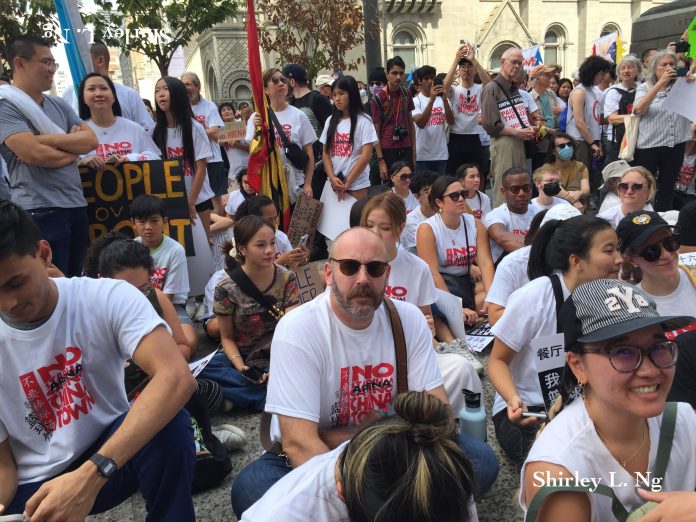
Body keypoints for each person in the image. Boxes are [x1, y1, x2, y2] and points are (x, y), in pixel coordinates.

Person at [231, 227, 499, 517]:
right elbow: (299, 442)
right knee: (253, 487)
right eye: (349, 267)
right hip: (329, 456)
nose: (362, 279)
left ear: (386, 274)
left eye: (374, 268)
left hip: (397, 450)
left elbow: (439, 416)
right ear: (329, 273)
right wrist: (365, 488)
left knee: (481, 459)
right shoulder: (299, 328)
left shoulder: (408, 319)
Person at [0, 199, 197, 520]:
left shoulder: (106, 296)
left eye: (15, 283)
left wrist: (90, 476)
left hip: (110, 453)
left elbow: (176, 377)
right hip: (35, 487)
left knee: (170, 422)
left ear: (44, 254)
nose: (8, 302)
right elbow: (3, 463)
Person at [521, 279, 696, 520]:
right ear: (578, 366)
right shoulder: (559, 468)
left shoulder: (685, 422)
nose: (650, 370)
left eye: (658, 346)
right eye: (622, 352)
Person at [488, 215, 623, 463]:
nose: (619, 259)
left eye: (618, 248)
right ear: (576, 261)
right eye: (609, 250)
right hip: (532, 410)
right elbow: (497, 361)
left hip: (582, 406)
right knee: (559, 458)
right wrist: (513, 400)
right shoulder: (535, 296)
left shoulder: (613, 296)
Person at [240, 391, 478, 522]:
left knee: (483, 458)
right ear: (342, 492)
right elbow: (298, 440)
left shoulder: (442, 470)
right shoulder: (285, 515)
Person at [361, 191, 483, 408]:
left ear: (400, 229)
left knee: (461, 370)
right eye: (369, 226)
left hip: (406, 354)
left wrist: (426, 327)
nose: (375, 234)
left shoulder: (417, 268)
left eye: (385, 228)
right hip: (364, 356)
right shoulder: (353, 265)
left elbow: (426, 321)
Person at [0, 35, 98, 277]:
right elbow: (34, 154)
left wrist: (47, 140)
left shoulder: (58, 104)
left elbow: (91, 141)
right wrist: (72, 149)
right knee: (49, 284)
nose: (52, 69)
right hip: (41, 209)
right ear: (20, 63)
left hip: (76, 205)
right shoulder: (6, 105)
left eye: (53, 63)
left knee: (74, 280)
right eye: (46, 62)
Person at [198, 215, 299, 413]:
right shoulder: (226, 287)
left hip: (278, 352)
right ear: (242, 249)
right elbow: (226, 338)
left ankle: (240, 398)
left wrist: (278, 368)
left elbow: (292, 330)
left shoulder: (287, 278)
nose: (270, 250)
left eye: (272, 243)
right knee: (193, 371)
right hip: (242, 356)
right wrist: (241, 368)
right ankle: (270, 395)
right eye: (260, 245)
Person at [417, 175, 495, 323]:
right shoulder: (427, 229)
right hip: (441, 287)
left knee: (501, 296)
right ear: (439, 202)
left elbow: (485, 263)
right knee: (454, 313)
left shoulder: (476, 224)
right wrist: (454, 307)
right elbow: (432, 273)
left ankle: (474, 315)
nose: (461, 199)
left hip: (466, 283)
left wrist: (493, 298)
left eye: (463, 194)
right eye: (454, 196)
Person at [485, 206, 581, 325]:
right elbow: (494, 316)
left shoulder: (584, 260)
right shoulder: (514, 263)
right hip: (532, 337)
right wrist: (545, 316)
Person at [129, 194, 198, 354]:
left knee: (189, 344)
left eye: (154, 221)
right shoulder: (130, 248)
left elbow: (168, 297)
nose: (148, 227)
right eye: (141, 221)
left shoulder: (175, 250)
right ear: (133, 223)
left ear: (164, 221)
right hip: (138, 309)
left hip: (171, 307)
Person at [151, 76, 215, 240]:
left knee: (203, 243)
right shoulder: (155, 131)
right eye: (157, 91)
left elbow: (201, 167)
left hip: (198, 199)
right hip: (170, 201)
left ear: (178, 93)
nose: (161, 94)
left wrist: (191, 202)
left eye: (165, 89)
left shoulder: (195, 128)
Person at [632, 50, 695, 211]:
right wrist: (661, 83)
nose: (668, 67)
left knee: (668, 186)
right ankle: (644, 217)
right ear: (655, 68)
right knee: (646, 185)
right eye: (664, 65)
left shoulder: (682, 84)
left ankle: (664, 219)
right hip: (650, 145)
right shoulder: (645, 87)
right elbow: (638, 109)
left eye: (671, 64)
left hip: (675, 143)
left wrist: (691, 81)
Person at [247, 68, 317, 201]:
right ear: (266, 89)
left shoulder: (299, 115)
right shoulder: (257, 118)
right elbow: (253, 154)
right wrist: (258, 131)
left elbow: (309, 153)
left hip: (295, 184)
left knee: (296, 222)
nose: (281, 83)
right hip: (269, 185)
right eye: (275, 80)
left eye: (283, 80)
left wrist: (308, 184)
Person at [481, 47, 537, 207]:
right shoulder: (492, 88)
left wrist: (527, 129)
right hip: (504, 142)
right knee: (504, 185)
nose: (518, 66)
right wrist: (518, 132)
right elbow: (491, 125)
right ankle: (500, 224)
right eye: (514, 62)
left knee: (519, 183)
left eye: (520, 63)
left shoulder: (514, 88)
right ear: (503, 62)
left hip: (519, 141)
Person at [617, 210, 696, 316]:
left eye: (670, 243)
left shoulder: (693, 276)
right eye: (651, 251)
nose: (667, 255)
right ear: (631, 260)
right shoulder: (633, 308)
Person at [76, 73, 161, 171]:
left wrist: (132, 158)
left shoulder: (134, 128)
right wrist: (82, 162)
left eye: (104, 88)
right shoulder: (78, 133)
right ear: (83, 98)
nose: (98, 94)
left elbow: (156, 157)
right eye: (91, 89)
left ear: (114, 97)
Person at [63, 41, 153, 131]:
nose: (98, 95)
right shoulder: (70, 94)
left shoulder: (130, 95)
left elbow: (147, 131)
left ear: (100, 60)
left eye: (83, 60)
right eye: (91, 89)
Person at [321, 75, 377, 207]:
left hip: (357, 185)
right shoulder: (330, 120)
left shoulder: (364, 121)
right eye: (334, 95)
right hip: (334, 185)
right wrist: (332, 178)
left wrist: (347, 182)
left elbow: (366, 156)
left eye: (341, 93)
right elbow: (325, 153)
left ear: (352, 94)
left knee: (355, 224)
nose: (337, 98)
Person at [181, 72, 227, 216]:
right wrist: (204, 130)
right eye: (183, 85)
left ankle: (218, 234)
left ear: (197, 86)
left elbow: (215, 132)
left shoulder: (209, 106)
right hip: (191, 162)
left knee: (216, 201)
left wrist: (192, 131)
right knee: (197, 200)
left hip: (212, 160)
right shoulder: (181, 108)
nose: (185, 88)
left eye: (188, 84)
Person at [565, 56, 612, 189]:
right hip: (580, 141)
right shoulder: (579, 92)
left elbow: (595, 119)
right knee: (580, 178)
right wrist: (592, 143)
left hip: (590, 141)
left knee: (589, 177)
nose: (603, 77)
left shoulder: (592, 91)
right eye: (602, 73)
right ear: (593, 72)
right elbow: (579, 122)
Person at [444, 43, 491, 175]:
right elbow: (444, 89)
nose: (466, 70)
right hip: (456, 136)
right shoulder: (455, 90)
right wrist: (456, 60)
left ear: (474, 69)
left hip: (475, 136)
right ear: (459, 70)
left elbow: (489, 84)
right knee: (456, 175)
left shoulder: (479, 88)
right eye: (463, 66)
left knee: (477, 175)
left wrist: (474, 60)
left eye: (469, 66)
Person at [370, 56, 417, 179]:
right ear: (387, 74)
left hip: (406, 146)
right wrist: (381, 160)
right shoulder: (378, 98)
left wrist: (414, 151)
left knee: (407, 183)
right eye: (394, 73)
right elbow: (376, 131)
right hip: (388, 148)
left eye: (401, 73)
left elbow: (410, 123)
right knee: (391, 186)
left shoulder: (406, 93)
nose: (398, 77)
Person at [484, 167, 542, 265]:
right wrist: (544, 248)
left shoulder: (539, 212)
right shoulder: (496, 215)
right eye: (515, 189)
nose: (522, 193)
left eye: (526, 188)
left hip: (534, 265)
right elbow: (503, 239)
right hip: (505, 268)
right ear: (503, 191)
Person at [237, 195, 307, 268]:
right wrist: (279, 262)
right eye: (269, 220)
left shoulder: (280, 237)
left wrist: (300, 259)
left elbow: (293, 266)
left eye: (275, 218)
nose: (274, 223)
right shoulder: (245, 240)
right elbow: (252, 274)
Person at [412, 65, 453, 176]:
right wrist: (431, 101)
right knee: (423, 189)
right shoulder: (415, 101)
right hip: (422, 156)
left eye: (432, 78)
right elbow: (421, 123)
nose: (430, 81)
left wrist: (444, 99)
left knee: (440, 189)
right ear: (419, 81)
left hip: (441, 154)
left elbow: (451, 121)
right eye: (426, 78)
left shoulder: (443, 100)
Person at [602, 54, 641, 164]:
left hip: (638, 139)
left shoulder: (642, 89)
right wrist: (636, 116)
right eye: (623, 68)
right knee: (615, 175)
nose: (626, 71)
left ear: (637, 70)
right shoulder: (613, 92)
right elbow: (612, 119)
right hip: (617, 140)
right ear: (618, 73)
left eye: (630, 67)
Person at [542, 132, 590, 210]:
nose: (567, 148)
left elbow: (586, 190)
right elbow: (553, 188)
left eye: (569, 144)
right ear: (554, 151)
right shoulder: (547, 168)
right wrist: (574, 202)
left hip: (578, 210)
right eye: (562, 146)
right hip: (555, 209)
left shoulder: (581, 166)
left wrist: (579, 193)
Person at [529, 65, 563, 170]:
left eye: (551, 74)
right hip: (540, 143)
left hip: (554, 140)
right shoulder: (530, 97)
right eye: (547, 74)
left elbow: (557, 115)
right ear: (538, 78)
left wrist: (561, 112)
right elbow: (533, 123)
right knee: (540, 172)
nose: (550, 77)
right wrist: (550, 130)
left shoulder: (551, 94)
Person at [402, 170, 437, 252]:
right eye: (427, 191)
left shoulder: (445, 213)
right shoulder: (411, 221)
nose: (433, 194)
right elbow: (425, 253)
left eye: (435, 189)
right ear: (417, 196)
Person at [219, 102, 250, 184]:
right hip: (233, 173)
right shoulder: (221, 131)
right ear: (220, 116)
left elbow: (253, 149)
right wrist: (219, 144)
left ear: (233, 112)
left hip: (250, 169)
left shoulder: (244, 125)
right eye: (223, 110)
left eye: (229, 109)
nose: (226, 111)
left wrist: (237, 145)